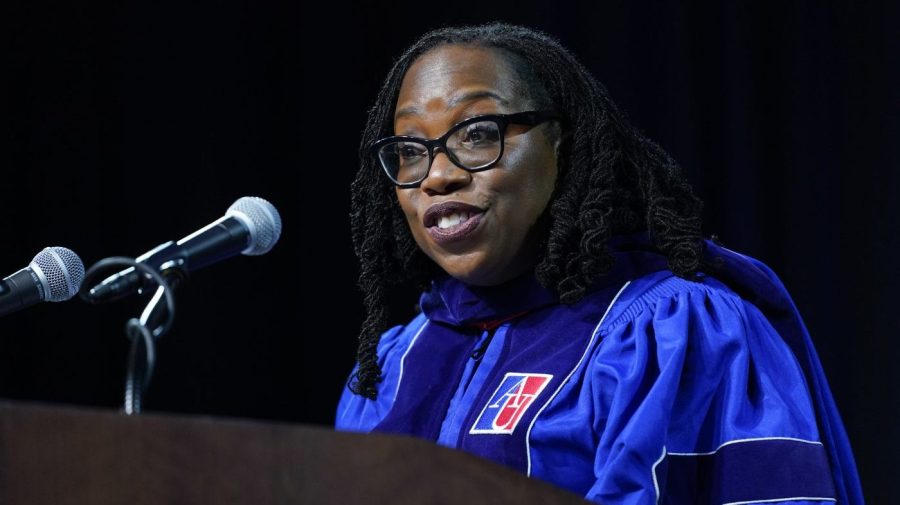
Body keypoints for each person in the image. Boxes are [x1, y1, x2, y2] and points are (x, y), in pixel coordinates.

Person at [335, 22, 863, 505]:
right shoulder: (390, 365)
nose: (435, 177)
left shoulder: (669, 331)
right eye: (410, 148)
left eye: (476, 133)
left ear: (561, 144)